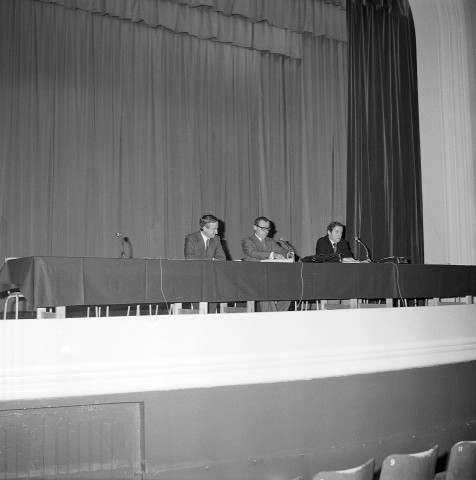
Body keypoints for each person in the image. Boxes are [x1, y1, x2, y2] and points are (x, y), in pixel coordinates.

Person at [242, 216, 293, 312]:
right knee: (266, 291)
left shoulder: (270, 241)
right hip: (255, 277)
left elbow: (281, 250)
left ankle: (278, 317)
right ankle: (272, 318)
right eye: (263, 228)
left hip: (271, 276)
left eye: (268, 228)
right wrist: (272, 254)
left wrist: (288, 254)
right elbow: (252, 252)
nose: (266, 231)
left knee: (289, 291)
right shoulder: (247, 241)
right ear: (255, 227)